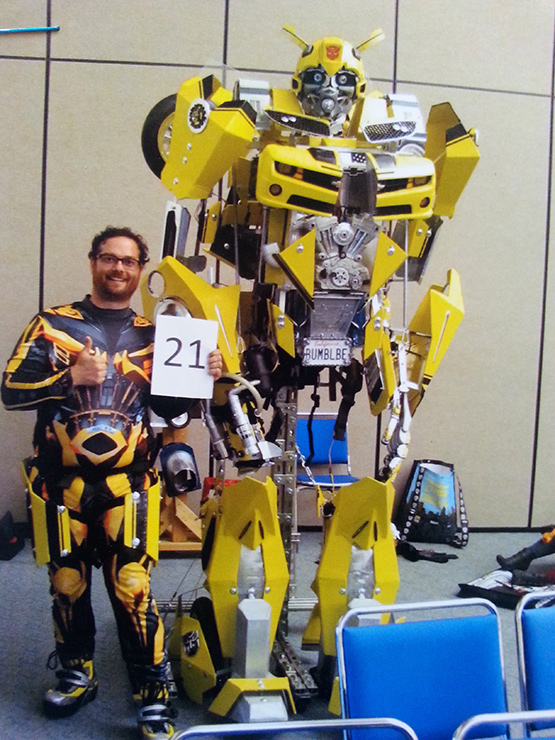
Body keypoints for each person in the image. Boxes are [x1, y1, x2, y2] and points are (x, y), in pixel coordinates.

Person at [1, 226, 223, 740]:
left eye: (127, 261)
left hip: (131, 485)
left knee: (133, 589)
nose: (117, 268)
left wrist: (204, 378)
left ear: (140, 269)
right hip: (62, 484)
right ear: (93, 262)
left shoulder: (159, 336)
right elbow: (11, 391)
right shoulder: (52, 324)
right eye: (108, 258)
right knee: (67, 585)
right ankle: (78, 671)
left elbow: (171, 412)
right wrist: (67, 379)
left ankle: (153, 690)